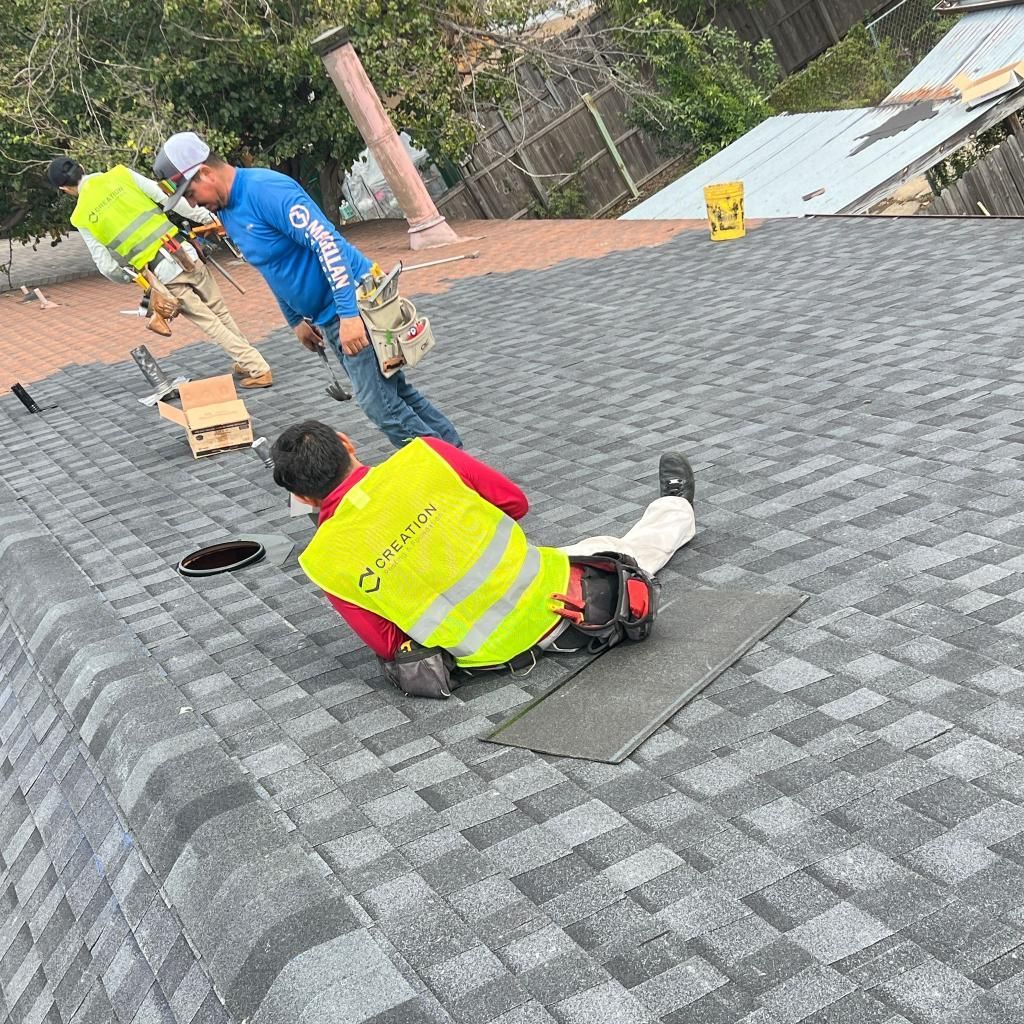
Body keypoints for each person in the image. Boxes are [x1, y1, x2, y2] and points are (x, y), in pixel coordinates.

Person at [270, 421, 696, 694]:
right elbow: (516, 503)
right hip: (562, 606)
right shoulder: (426, 456)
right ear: (346, 442)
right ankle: (677, 509)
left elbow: (387, 643)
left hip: (488, 657)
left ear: (302, 498)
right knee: (611, 548)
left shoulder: (323, 560)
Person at [153, 132, 462, 449]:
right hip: (331, 316)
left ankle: (447, 472)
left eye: (190, 193)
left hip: (358, 302)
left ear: (205, 172)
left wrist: (349, 314)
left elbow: (327, 244)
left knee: (380, 406)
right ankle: (460, 459)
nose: (192, 203)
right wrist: (295, 320)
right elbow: (270, 266)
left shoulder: (266, 191)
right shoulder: (227, 211)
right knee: (394, 392)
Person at [46, 156, 272, 388]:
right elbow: (171, 198)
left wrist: (133, 277)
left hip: (162, 272)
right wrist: (210, 218)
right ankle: (246, 360)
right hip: (186, 251)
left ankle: (258, 368)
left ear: (64, 188)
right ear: (82, 167)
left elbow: (106, 266)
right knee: (219, 311)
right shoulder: (121, 174)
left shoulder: (81, 216)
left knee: (209, 322)